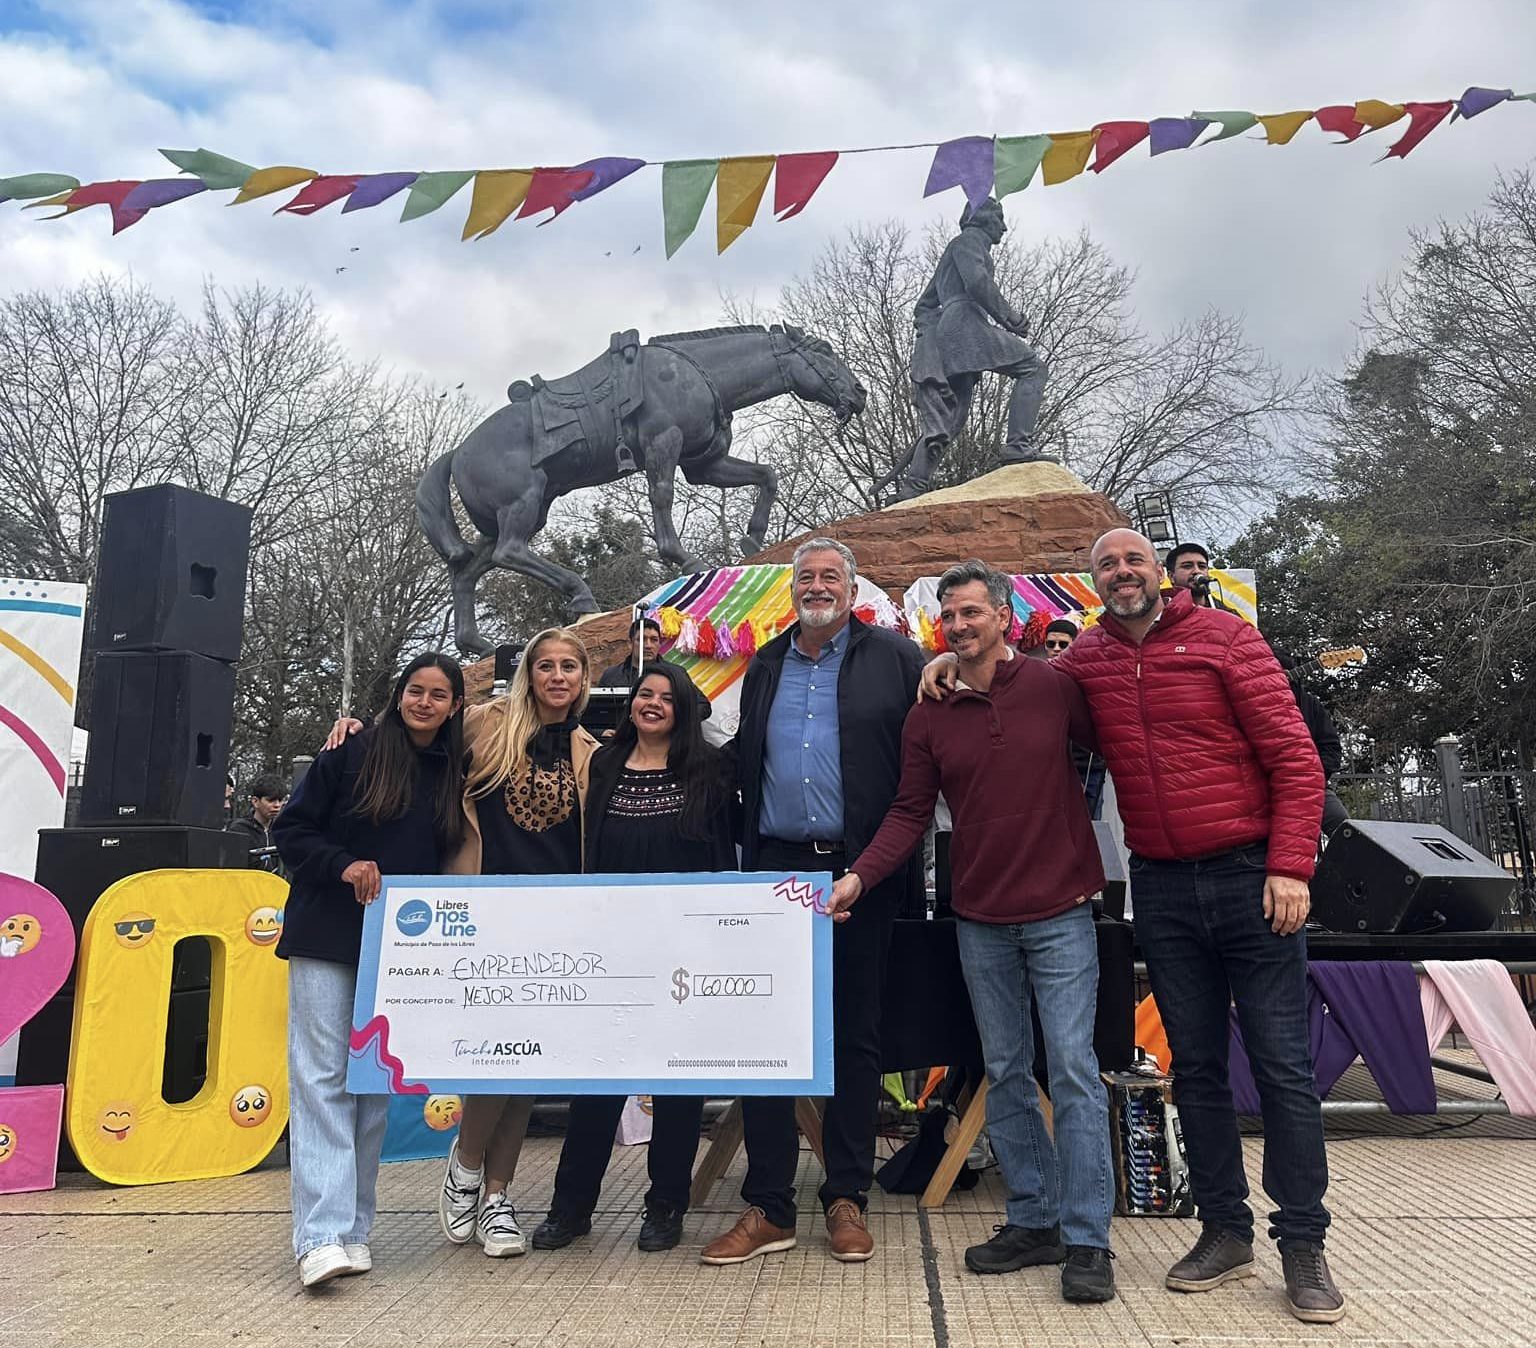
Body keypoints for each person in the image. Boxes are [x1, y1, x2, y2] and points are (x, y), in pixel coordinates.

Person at [923, 529, 1341, 1325]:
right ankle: (1225, 1229)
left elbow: (1296, 755)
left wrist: (1292, 864)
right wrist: (944, 662)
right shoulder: (1087, 661)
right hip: (1161, 883)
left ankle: (1303, 1243)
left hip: (1253, 874)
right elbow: (1013, 682)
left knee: (1284, 1070)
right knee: (1200, 1070)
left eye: (1133, 561)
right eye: (1106, 565)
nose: (1122, 574)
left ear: (1161, 573)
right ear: (1095, 583)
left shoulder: (1228, 638)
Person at [830, 561, 1117, 1303]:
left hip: (1060, 911)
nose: (957, 627)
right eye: (947, 618)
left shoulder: (1056, 688)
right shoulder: (929, 713)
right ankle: (1032, 1218)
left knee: (1076, 1074)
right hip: (980, 916)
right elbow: (907, 812)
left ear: (1003, 616)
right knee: (1007, 1072)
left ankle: (1088, 1240)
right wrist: (861, 876)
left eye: (969, 614)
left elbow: (1120, 749)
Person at [325, 628, 601, 1260]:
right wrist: (356, 730)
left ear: (583, 680)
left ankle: (496, 1197)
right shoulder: (483, 724)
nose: (557, 676)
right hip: (483, 910)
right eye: (546, 665)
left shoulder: (591, 749)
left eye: (569, 667)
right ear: (529, 672)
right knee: (496, 1054)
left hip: (558, 918)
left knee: (533, 1059)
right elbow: (415, 728)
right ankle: (469, 1163)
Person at [701, 538, 927, 1267]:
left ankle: (846, 1197)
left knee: (855, 1037)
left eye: (831, 575)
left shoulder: (896, 658)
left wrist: (949, 661)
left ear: (853, 587)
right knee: (767, 1038)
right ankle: (769, 1206)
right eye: (807, 577)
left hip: (863, 872)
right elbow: (733, 762)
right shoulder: (764, 664)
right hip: (774, 872)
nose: (818, 585)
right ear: (791, 589)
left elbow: (933, 738)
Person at [274, 652, 467, 1289]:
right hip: (328, 934)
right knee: (322, 1080)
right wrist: (343, 864)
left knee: (373, 1090)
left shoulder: (452, 768)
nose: (425, 703)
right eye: (416, 690)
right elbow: (292, 829)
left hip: (402, 952)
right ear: (399, 694)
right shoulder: (350, 753)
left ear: (455, 706)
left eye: (440, 695)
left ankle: (354, 1230)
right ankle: (319, 1236)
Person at [537, 661, 736, 1253]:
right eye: (643, 694)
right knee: (596, 1081)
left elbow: (724, 858)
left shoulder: (709, 770)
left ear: (683, 709)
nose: (651, 704)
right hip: (611, 948)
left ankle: (666, 1206)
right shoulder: (601, 763)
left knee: (679, 1082)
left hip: (684, 951)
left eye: (665, 698)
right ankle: (570, 1208)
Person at [1276, 652, 1349, 838]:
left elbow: (1331, 747)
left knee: (1347, 831)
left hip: (1311, 785)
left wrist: (1316, 775)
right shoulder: (1245, 705)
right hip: (1264, 789)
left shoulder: (1310, 705)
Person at [1163, 541, 1239, 615]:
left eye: (1202, 566)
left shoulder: (1227, 613)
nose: (1197, 571)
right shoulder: (1162, 614)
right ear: (1171, 576)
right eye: (1187, 566)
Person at [598, 617, 661, 688]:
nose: (648, 645)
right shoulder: (611, 675)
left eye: (654, 640)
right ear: (630, 643)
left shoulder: (672, 674)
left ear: (659, 644)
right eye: (641, 639)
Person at [227, 773, 287, 848]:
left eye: (280, 800)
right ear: (255, 801)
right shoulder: (239, 830)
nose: (277, 805)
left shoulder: (282, 830)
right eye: (271, 800)